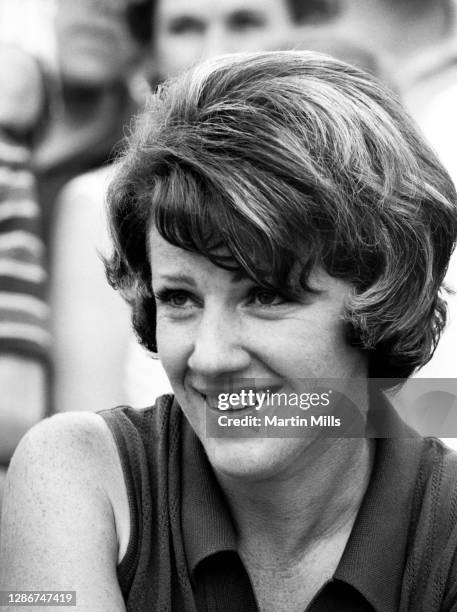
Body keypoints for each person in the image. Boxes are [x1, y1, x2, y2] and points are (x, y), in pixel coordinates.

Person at [2, 51, 457, 611]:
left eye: (266, 294)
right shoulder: (76, 470)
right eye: (179, 299)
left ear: (381, 294)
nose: (210, 357)